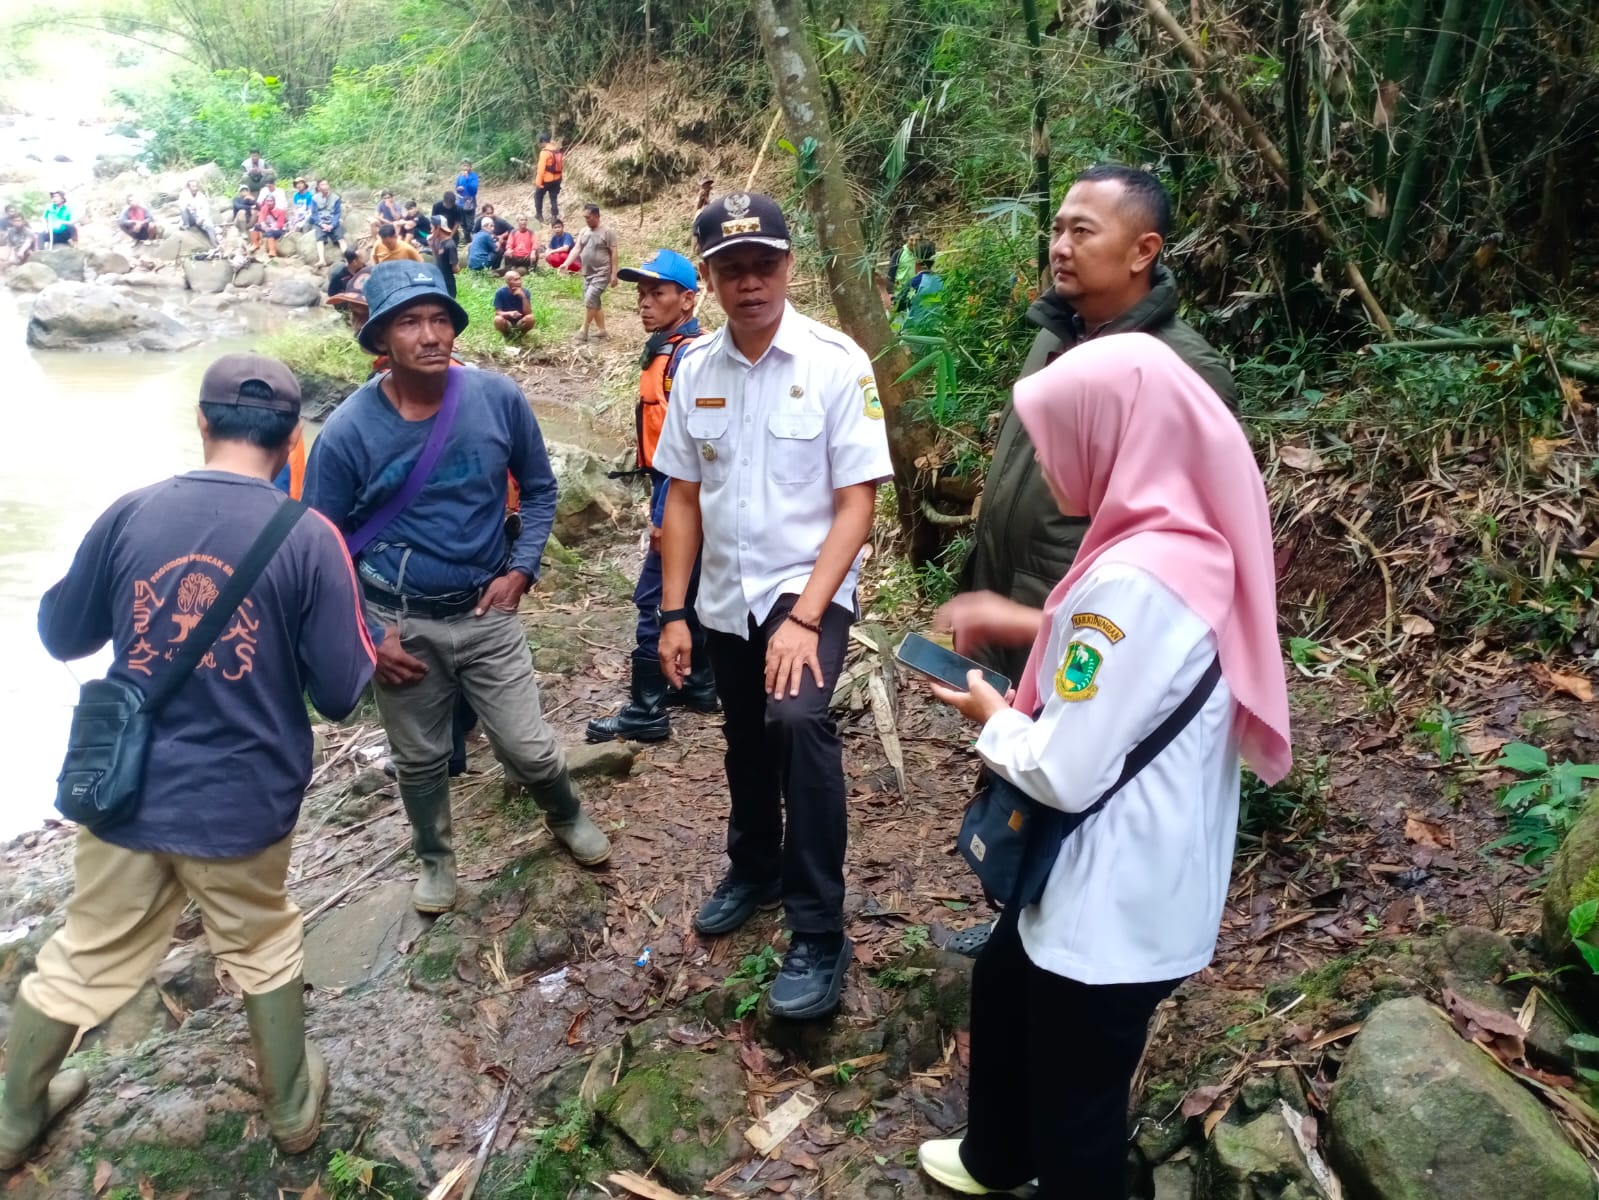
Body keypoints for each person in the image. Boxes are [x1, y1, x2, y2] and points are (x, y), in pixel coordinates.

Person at [916, 332, 1291, 1200]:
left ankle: (1042, 1166)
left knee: (1078, 1113)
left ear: (1117, 440)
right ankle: (996, 1157)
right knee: (1004, 976)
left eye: (1057, 442)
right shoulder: (1192, 545)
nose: (1047, 466)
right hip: (1149, 878)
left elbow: (1065, 770)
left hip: (1108, 911)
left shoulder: (1132, 584)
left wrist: (993, 718)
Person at [4, 354, 376, 1170]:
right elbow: (345, 690)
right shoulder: (311, 537)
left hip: (123, 792)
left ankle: (13, 1122)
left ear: (201, 423)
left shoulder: (132, 512)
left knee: (85, 950)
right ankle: (290, 1111)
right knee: (261, 942)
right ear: (293, 439)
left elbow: (64, 634)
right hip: (242, 803)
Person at [304, 261, 612, 916]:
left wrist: (522, 569)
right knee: (418, 760)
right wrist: (366, 636)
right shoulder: (347, 433)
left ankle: (564, 812)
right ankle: (436, 858)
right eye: (410, 322)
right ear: (380, 340)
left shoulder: (496, 398)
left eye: (440, 318)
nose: (429, 334)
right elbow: (323, 544)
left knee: (528, 747)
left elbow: (539, 488)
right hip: (400, 622)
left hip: (485, 612)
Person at [655, 193, 892, 1019]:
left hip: (807, 582)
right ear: (710, 279)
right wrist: (673, 611)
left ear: (789, 267)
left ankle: (819, 929)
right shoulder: (695, 370)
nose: (749, 283)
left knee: (797, 724)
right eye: (731, 269)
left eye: (763, 265)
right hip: (724, 588)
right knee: (745, 732)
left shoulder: (834, 362)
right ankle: (752, 865)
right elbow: (682, 498)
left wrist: (803, 618)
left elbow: (857, 504)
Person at [957, 165, 1237, 686]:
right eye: (1057, 229)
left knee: (1064, 762)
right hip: (1011, 601)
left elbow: (1184, 549)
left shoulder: (1182, 371)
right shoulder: (1057, 335)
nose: (1061, 246)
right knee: (1011, 758)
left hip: (1092, 631)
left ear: (1142, 250)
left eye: (1081, 231)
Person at [586, 247, 716, 744]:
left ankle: (646, 710)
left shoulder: (687, 358)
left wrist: (664, 515)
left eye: (656, 293)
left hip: (683, 495)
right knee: (693, 590)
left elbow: (694, 450)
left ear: (687, 299)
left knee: (656, 597)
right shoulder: (670, 348)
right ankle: (698, 684)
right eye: (641, 293)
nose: (644, 303)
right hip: (681, 492)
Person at [573, 203, 617, 343]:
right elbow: (577, 248)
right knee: (594, 301)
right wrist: (566, 263)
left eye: (588, 217)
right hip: (587, 272)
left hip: (602, 272)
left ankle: (584, 329)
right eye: (584, 217)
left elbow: (614, 253)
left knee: (590, 298)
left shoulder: (607, 232)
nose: (586, 220)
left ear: (597, 216)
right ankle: (602, 330)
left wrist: (614, 274)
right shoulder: (583, 231)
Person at [893, 242, 943, 332]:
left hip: (917, 330)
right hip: (937, 326)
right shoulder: (939, 280)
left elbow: (896, 306)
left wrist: (882, 287)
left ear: (916, 261)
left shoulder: (915, 282)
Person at [311, 179, 345, 267]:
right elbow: (314, 214)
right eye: (322, 185)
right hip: (321, 222)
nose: (325, 186)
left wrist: (332, 225)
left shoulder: (336, 198)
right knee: (320, 240)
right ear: (318, 188)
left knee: (341, 239)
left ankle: (348, 259)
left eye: (326, 184)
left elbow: (337, 213)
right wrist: (321, 223)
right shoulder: (315, 198)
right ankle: (322, 260)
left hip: (332, 221)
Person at [493, 270, 536, 337]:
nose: (519, 282)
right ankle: (506, 335)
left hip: (521, 320)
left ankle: (521, 334)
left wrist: (523, 297)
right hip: (507, 321)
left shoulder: (525, 292)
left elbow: (528, 312)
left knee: (530, 318)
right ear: (508, 282)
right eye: (516, 280)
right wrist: (510, 313)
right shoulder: (500, 292)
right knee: (498, 319)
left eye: (520, 279)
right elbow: (498, 312)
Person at [179, 179, 219, 248]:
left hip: (200, 217)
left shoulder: (201, 196)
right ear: (189, 187)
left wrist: (202, 218)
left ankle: (215, 245)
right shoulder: (184, 194)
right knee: (183, 209)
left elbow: (206, 209)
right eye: (193, 186)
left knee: (210, 227)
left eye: (196, 186)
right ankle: (186, 225)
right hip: (189, 217)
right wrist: (190, 205)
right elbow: (182, 206)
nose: (195, 188)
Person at [888, 225, 922, 302]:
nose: (914, 243)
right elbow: (890, 274)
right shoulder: (898, 254)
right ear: (907, 239)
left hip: (915, 294)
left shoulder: (920, 254)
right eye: (911, 240)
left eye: (917, 240)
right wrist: (891, 294)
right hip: (900, 294)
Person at [428, 216, 459, 298]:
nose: (431, 231)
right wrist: (432, 246)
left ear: (438, 228)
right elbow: (437, 259)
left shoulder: (450, 245)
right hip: (439, 280)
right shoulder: (438, 241)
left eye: (432, 228)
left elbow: (456, 269)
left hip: (448, 283)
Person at [534, 136, 563, 223]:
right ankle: (554, 216)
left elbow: (541, 169)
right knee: (553, 198)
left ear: (543, 142)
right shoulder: (557, 150)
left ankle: (539, 215)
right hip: (557, 179)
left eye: (540, 143)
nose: (540, 145)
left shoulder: (544, 152)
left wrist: (538, 182)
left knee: (538, 196)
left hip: (546, 179)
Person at [454, 158, 480, 231]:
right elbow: (456, 189)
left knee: (470, 224)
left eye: (467, 166)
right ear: (461, 167)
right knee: (462, 223)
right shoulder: (459, 176)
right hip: (461, 202)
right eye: (464, 166)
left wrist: (467, 179)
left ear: (470, 167)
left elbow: (474, 190)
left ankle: (470, 236)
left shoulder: (474, 176)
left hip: (470, 202)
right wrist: (458, 189)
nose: (465, 168)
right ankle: (467, 238)